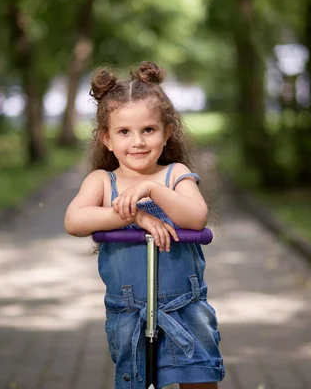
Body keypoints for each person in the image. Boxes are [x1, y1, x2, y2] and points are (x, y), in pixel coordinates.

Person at [64, 61, 224, 389]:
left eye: (148, 130)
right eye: (124, 132)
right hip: (129, 312)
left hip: (186, 309)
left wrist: (153, 190)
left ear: (166, 132)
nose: (137, 141)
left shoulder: (174, 175)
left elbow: (196, 216)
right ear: (106, 138)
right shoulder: (102, 181)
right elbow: (75, 220)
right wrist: (134, 214)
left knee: (200, 380)